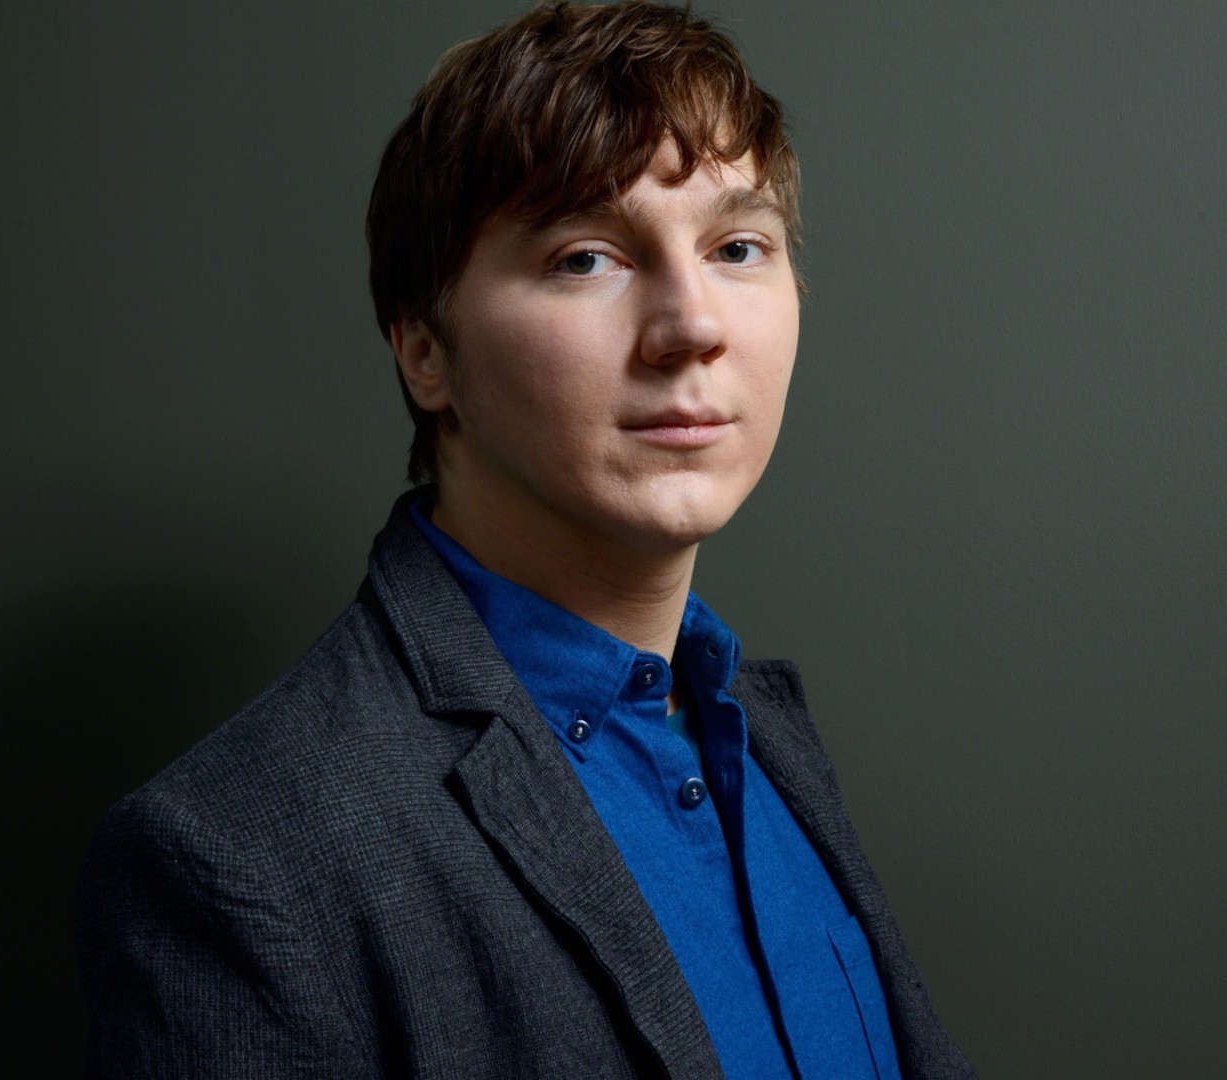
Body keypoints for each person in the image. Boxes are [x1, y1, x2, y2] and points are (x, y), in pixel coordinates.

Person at [76, 3, 974, 1076]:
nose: (694, 326)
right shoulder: (239, 858)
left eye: (738, 247)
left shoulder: (763, 734)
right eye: (586, 258)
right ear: (426, 353)